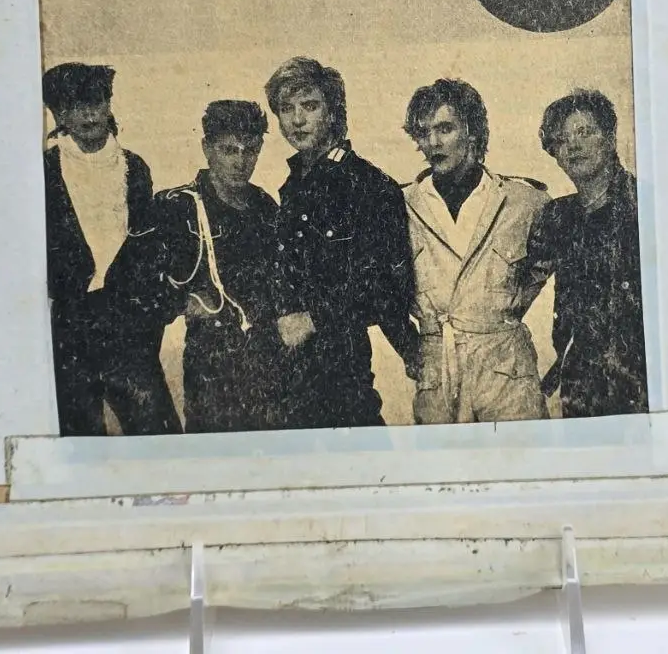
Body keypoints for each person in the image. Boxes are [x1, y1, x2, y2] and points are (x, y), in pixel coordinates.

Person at [266, 56, 420, 428]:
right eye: (286, 109)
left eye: (310, 106)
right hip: (286, 378)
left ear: (333, 111)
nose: (297, 120)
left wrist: (314, 319)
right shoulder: (292, 187)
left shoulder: (369, 185)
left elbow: (386, 287)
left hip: (342, 376)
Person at [43, 62, 181, 437]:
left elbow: (148, 248)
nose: (89, 115)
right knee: (79, 436)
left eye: (96, 102)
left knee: (157, 433)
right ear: (60, 114)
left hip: (126, 321)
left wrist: (147, 319)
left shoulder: (134, 167)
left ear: (108, 105)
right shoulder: (44, 171)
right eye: (76, 106)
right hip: (72, 322)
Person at [402, 79, 549, 425]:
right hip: (437, 372)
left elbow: (540, 269)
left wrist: (496, 314)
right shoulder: (402, 205)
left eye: (445, 129)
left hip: (506, 371)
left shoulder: (524, 201)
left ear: (472, 132)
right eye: (423, 132)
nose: (433, 142)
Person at [149, 100, 284, 433]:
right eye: (229, 150)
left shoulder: (265, 206)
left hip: (269, 361)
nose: (240, 161)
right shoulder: (178, 206)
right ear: (206, 148)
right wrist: (184, 302)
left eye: (250, 150)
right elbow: (134, 285)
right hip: (211, 367)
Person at [519, 89, 647, 418]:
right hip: (581, 388)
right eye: (561, 140)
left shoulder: (647, 207)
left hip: (644, 387)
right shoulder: (558, 217)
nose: (573, 146)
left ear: (610, 138)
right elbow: (516, 292)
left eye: (584, 132)